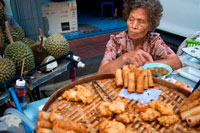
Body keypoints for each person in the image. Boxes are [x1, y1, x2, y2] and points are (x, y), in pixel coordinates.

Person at [98, 0, 182, 74]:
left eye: (141, 21)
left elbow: (176, 62)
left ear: (150, 25)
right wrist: (124, 58)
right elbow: (101, 72)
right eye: (131, 19)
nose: (134, 26)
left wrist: (146, 66)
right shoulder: (116, 41)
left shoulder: (153, 40)